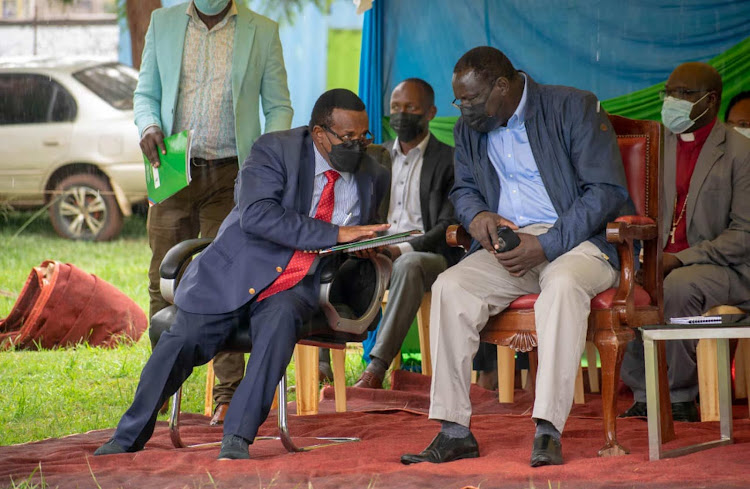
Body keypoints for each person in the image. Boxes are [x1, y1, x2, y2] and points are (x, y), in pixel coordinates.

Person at [94, 89, 390, 460]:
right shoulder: (273, 151)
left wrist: (367, 245)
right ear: (318, 133)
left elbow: (361, 233)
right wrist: (334, 234)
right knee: (181, 339)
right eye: (347, 138)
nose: (358, 146)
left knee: (279, 326)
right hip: (237, 269)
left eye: (364, 137)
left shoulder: (372, 175)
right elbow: (257, 215)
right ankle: (128, 435)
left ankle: (237, 437)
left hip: (298, 280)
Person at [401, 46, 633, 467]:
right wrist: (479, 216)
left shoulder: (571, 107)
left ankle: (547, 427)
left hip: (578, 241)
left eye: (470, 99)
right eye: (459, 100)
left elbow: (604, 192)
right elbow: (464, 190)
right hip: (509, 245)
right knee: (449, 286)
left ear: (503, 86)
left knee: (561, 286)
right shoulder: (471, 128)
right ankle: (454, 429)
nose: (463, 109)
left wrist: (547, 244)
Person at [134, 0, 293, 426]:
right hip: (171, 168)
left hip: (233, 174)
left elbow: (278, 105)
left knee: (228, 278)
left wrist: (266, 160)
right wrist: (148, 125)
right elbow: (146, 93)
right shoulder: (162, 23)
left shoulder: (262, 30)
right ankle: (161, 389)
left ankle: (227, 395)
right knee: (162, 279)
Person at [620, 63, 750, 421]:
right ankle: (645, 391)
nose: (673, 101)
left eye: (684, 94)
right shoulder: (655, 145)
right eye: (669, 93)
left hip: (729, 268)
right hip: (661, 258)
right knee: (625, 283)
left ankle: (678, 395)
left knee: (675, 286)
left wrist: (680, 258)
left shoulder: (741, 152)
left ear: (710, 100)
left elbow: (744, 235)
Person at [353, 78, 461, 389]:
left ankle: (376, 367)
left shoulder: (449, 160)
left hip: (431, 258)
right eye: (395, 108)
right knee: (329, 260)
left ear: (430, 113)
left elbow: (447, 226)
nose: (401, 115)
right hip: (378, 252)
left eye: (410, 108)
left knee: (407, 264)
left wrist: (401, 249)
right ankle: (322, 362)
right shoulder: (375, 157)